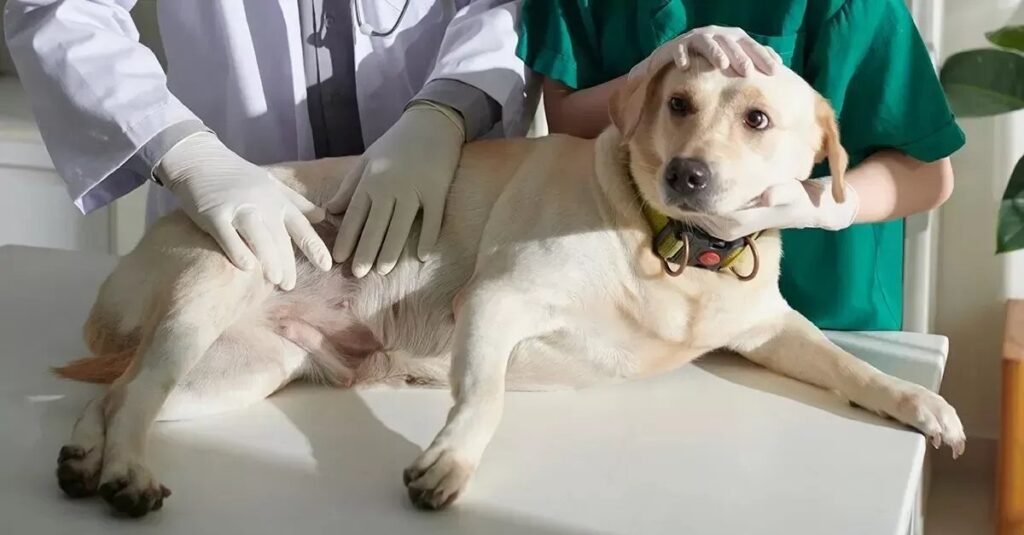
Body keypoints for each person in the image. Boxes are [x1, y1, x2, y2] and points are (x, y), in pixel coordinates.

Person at [4, 0, 529, 288]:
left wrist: (449, 110)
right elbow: (61, 9)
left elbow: (510, 6)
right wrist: (184, 153)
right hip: (233, 231)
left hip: (439, 227)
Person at [515, 0, 965, 331]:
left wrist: (820, 206)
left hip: (820, 313)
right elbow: (566, 122)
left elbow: (928, 174)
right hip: (635, 304)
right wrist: (652, 71)